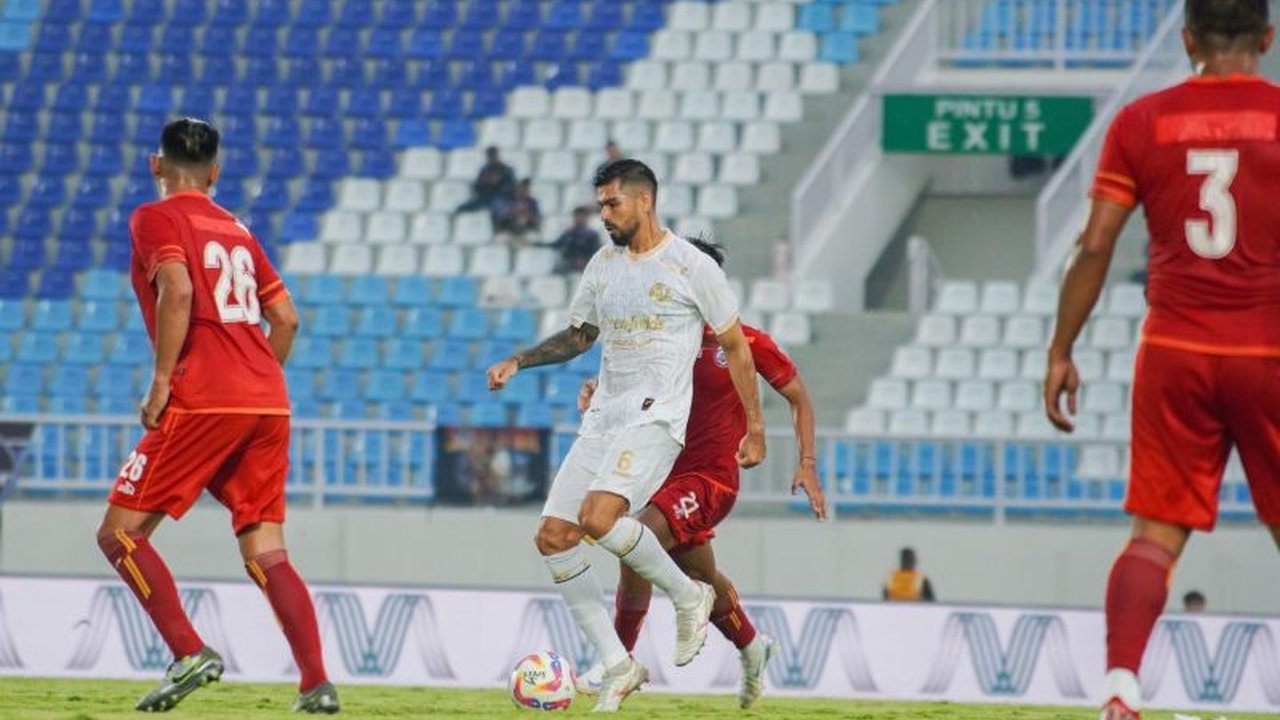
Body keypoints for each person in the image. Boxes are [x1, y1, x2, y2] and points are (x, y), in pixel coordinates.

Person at [1042, 3, 1280, 719]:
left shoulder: (1143, 121)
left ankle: (1119, 689)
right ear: (1266, 41)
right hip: (1269, 346)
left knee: (1155, 533)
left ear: (1186, 40)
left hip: (1174, 347)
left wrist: (1061, 350)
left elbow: (1094, 246)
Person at [487, 159, 767, 712]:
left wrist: (755, 428)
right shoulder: (603, 265)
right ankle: (619, 663)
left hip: (658, 418)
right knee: (553, 537)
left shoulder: (690, 266)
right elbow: (579, 336)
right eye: (600, 206)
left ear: (645, 200)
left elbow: (736, 348)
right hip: (606, 420)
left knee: (599, 520)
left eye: (612, 204)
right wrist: (520, 360)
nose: (604, 215)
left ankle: (690, 596)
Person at [94, 118, 337, 714]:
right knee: (266, 548)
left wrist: (159, 384)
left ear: (157, 165)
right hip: (267, 400)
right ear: (216, 173)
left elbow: (175, 290)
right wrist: (254, 382)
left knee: (120, 534)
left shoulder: (155, 217)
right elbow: (286, 319)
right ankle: (316, 685)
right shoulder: (237, 228)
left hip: (202, 397)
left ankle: (187, 651)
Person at [573, 237, 826, 709]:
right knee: (703, 578)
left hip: (710, 480)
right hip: (660, 476)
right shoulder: (655, 343)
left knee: (635, 541)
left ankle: (617, 663)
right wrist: (598, 400)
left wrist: (806, 463)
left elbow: (799, 396)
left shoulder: (743, 342)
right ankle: (753, 648)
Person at [454, 145, 515, 217]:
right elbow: (476, 187)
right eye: (490, 156)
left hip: (500, 197)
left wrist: (498, 183)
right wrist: (485, 182)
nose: (492, 158)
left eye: (493, 155)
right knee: (462, 208)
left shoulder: (506, 170)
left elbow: (511, 187)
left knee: (499, 208)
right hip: (485, 197)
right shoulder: (484, 170)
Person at [547, 205, 602, 274]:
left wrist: (584, 260)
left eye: (581, 216)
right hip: (570, 264)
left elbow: (596, 250)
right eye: (577, 216)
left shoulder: (592, 235)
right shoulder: (569, 234)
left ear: (586, 218)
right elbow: (556, 245)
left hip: (587, 263)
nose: (579, 219)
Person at [493, 178, 542, 244]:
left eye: (526, 189)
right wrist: (513, 211)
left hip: (527, 232)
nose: (523, 191)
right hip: (508, 231)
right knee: (500, 240)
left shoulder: (532, 202)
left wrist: (527, 212)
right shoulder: (506, 200)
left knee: (531, 238)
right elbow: (500, 217)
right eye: (521, 188)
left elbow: (537, 220)